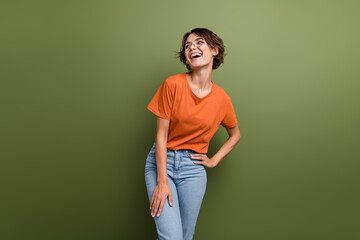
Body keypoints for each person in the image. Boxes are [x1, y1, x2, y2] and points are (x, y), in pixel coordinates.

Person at [144, 27, 241, 240]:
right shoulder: (172, 85)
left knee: (186, 236)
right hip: (162, 163)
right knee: (172, 237)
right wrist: (162, 182)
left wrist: (214, 160)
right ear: (186, 58)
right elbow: (161, 136)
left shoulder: (222, 99)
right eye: (187, 46)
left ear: (214, 50)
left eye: (199, 43)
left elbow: (235, 135)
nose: (191, 48)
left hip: (194, 170)